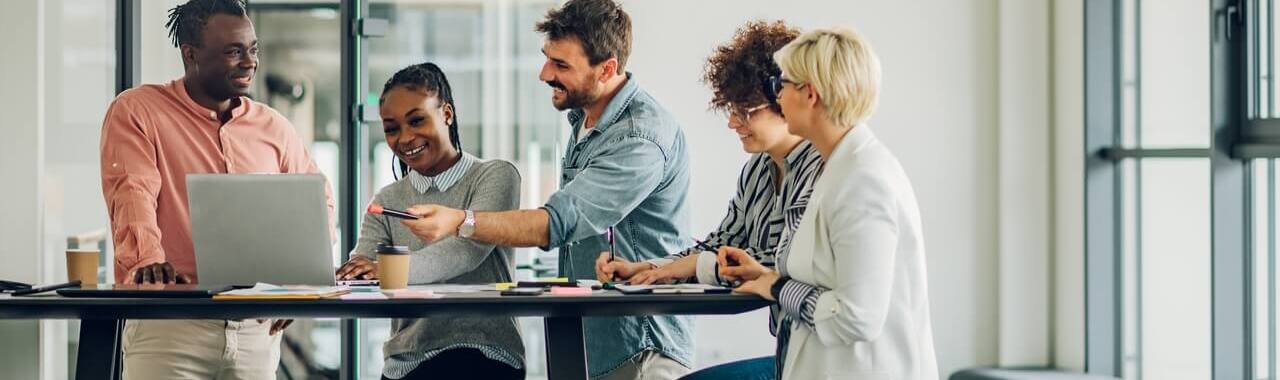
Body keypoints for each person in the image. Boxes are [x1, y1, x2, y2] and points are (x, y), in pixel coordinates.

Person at [394, 0, 695, 378]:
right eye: (547, 58)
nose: (544, 73)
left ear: (608, 68)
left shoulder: (640, 138)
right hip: (589, 340)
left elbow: (558, 222)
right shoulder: (585, 119)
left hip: (638, 349)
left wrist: (461, 220)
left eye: (561, 65)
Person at [99, 0, 335, 378]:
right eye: (233, 51)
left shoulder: (274, 127)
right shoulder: (139, 111)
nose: (249, 62)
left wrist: (301, 283)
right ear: (190, 54)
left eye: (252, 49)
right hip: (172, 327)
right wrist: (146, 262)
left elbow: (317, 199)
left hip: (256, 329)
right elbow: (132, 193)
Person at [594, 20, 821, 380]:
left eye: (746, 111)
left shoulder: (820, 170)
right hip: (790, 353)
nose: (732, 122)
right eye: (730, 108)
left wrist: (690, 267)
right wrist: (654, 268)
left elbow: (779, 265)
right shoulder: (758, 170)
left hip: (822, 361)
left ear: (784, 100)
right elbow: (722, 246)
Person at [718, 27, 939, 380]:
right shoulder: (838, 168)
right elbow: (828, 278)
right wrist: (768, 277)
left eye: (781, 86)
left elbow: (856, 316)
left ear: (810, 94)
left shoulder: (864, 180)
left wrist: (777, 287)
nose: (778, 97)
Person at [333, 62, 525, 380]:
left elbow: (464, 252)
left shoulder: (496, 177)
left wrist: (385, 270)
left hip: (485, 351)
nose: (405, 138)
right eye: (392, 128)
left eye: (417, 120)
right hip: (407, 359)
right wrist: (356, 273)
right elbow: (363, 265)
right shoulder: (386, 200)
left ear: (446, 114)